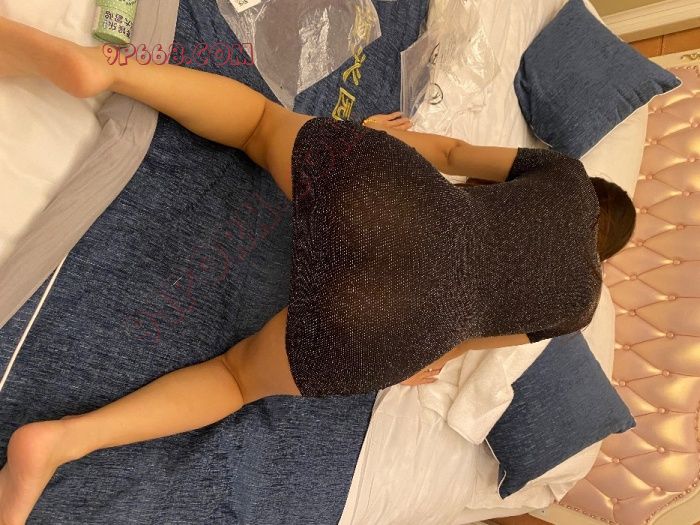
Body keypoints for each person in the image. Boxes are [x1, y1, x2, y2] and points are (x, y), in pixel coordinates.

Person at [0, 16, 636, 524]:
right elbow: (466, 340)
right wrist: (417, 359)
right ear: (600, 259)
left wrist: (374, 140)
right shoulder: (576, 309)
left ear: (595, 198)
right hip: (392, 326)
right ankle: (63, 442)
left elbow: (451, 151)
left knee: (258, 125)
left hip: (388, 200)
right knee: (236, 379)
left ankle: (110, 71)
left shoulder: (567, 176)